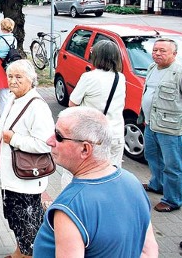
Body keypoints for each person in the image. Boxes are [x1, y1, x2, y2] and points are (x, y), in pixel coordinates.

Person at [33, 107, 158, 258]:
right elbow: (148, 251)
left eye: (59, 136)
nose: (49, 140)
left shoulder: (70, 208)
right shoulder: (133, 183)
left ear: (85, 149)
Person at [0, 59, 54, 258]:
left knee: (27, 225)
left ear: (31, 79)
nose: (13, 81)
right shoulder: (14, 98)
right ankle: (19, 252)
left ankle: (28, 254)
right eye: (10, 76)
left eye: (19, 77)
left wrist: (15, 139)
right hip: (11, 176)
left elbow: (45, 144)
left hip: (25, 179)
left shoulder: (38, 106)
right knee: (14, 218)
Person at [140, 38, 182, 212]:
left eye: (162, 51)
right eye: (155, 50)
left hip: (170, 128)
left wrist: (179, 113)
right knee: (152, 157)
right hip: (151, 124)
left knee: (173, 165)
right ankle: (157, 184)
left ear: (174, 54)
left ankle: (172, 200)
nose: (157, 53)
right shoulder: (152, 68)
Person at [69, 40, 126, 167]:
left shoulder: (89, 77)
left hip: (94, 136)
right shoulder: (120, 78)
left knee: (85, 172)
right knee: (112, 173)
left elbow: (72, 104)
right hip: (115, 134)